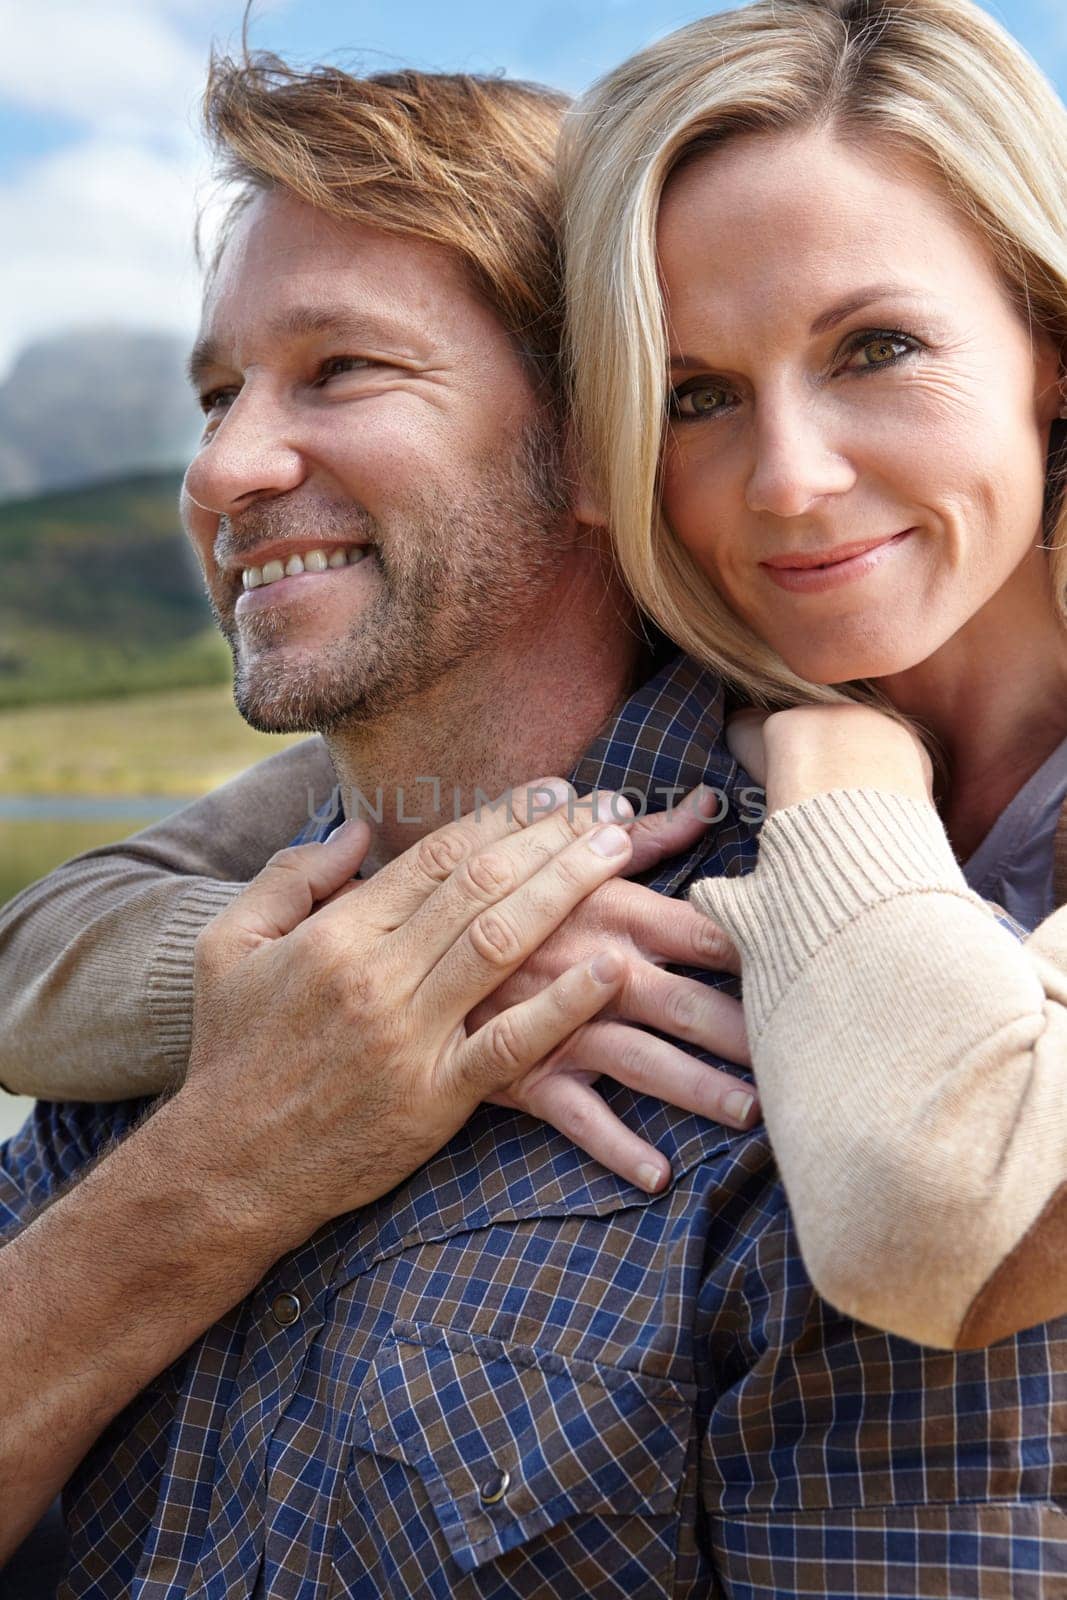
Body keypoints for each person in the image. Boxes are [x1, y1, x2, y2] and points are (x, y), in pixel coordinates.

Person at [4, 16, 1067, 1600]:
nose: (221, 469)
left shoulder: (849, 1036)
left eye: (342, 367)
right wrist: (349, 1018)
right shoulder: (298, 938)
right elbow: (44, 942)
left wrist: (835, 751)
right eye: (701, 391)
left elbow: (948, 1195)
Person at [0, 59, 760, 1593]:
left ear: (602, 432)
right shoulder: (226, 984)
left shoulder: (818, 1003)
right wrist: (228, 1162)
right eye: (218, 396)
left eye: (342, 368)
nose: (219, 472)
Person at [559, 0, 1067, 1353]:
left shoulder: (797, 726)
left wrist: (841, 762)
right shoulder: (642, 694)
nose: (789, 480)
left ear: (1051, 347)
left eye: (876, 348)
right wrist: (450, 968)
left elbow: (940, 1222)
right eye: (697, 398)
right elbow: (87, 923)